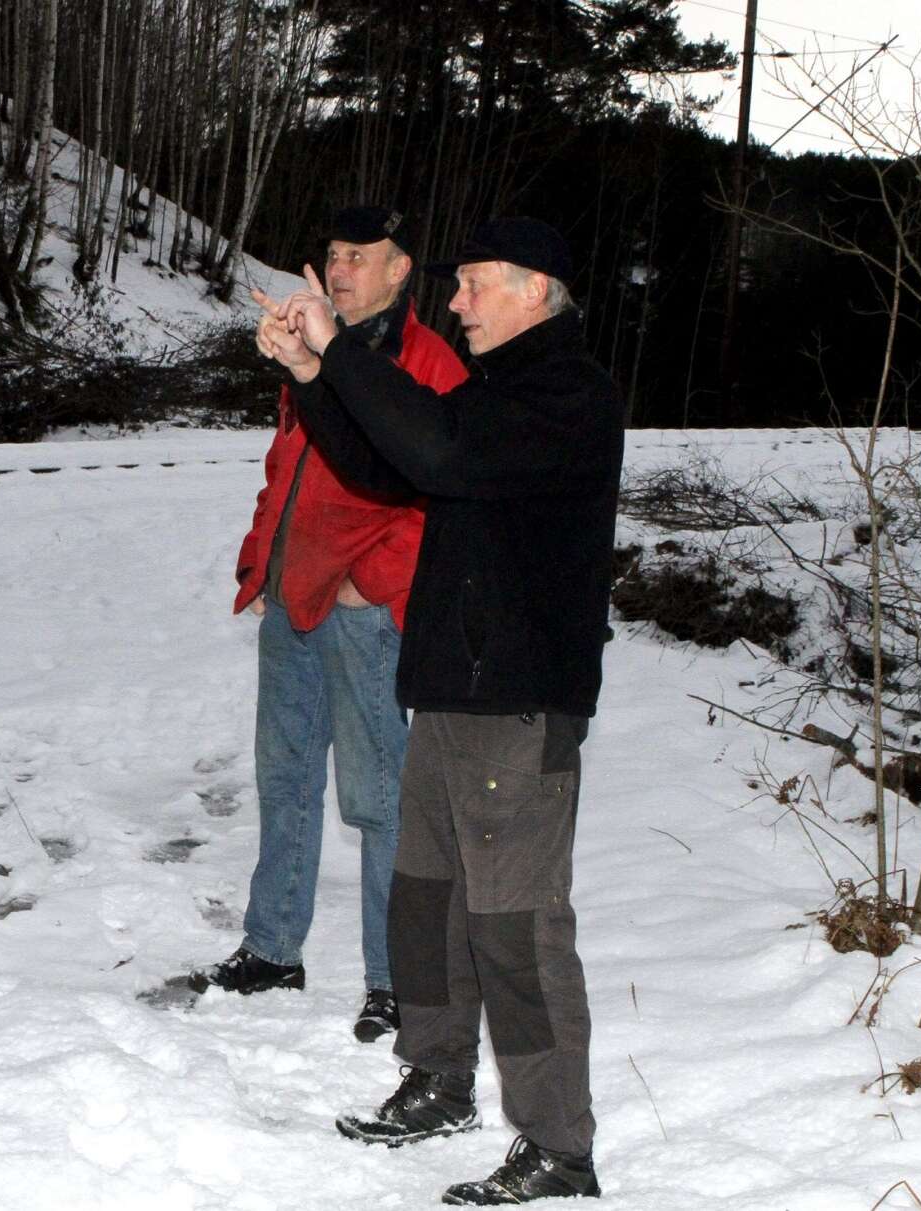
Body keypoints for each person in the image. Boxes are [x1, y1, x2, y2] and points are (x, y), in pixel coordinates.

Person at [255, 217, 622, 1204]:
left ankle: (558, 1147)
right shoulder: (495, 389)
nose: (454, 302)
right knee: (423, 904)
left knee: (514, 929)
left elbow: (441, 451)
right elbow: (393, 465)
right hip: (452, 693)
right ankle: (437, 1077)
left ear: (534, 288)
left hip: (518, 706)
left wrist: (339, 346)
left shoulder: (568, 394)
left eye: (472, 283)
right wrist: (310, 374)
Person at [189, 206, 466, 1043]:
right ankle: (273, 948)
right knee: (283, 778)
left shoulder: (428, 363)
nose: (340, 269)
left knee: (378, 799)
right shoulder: (309, 347)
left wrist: (370, 584)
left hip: (363, 614)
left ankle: (395, 979)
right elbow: (287, 466)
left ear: (399, 269)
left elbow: (442, 495)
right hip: (294, 598)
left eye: (360, 256)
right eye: (334, 254)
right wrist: (261, 563)